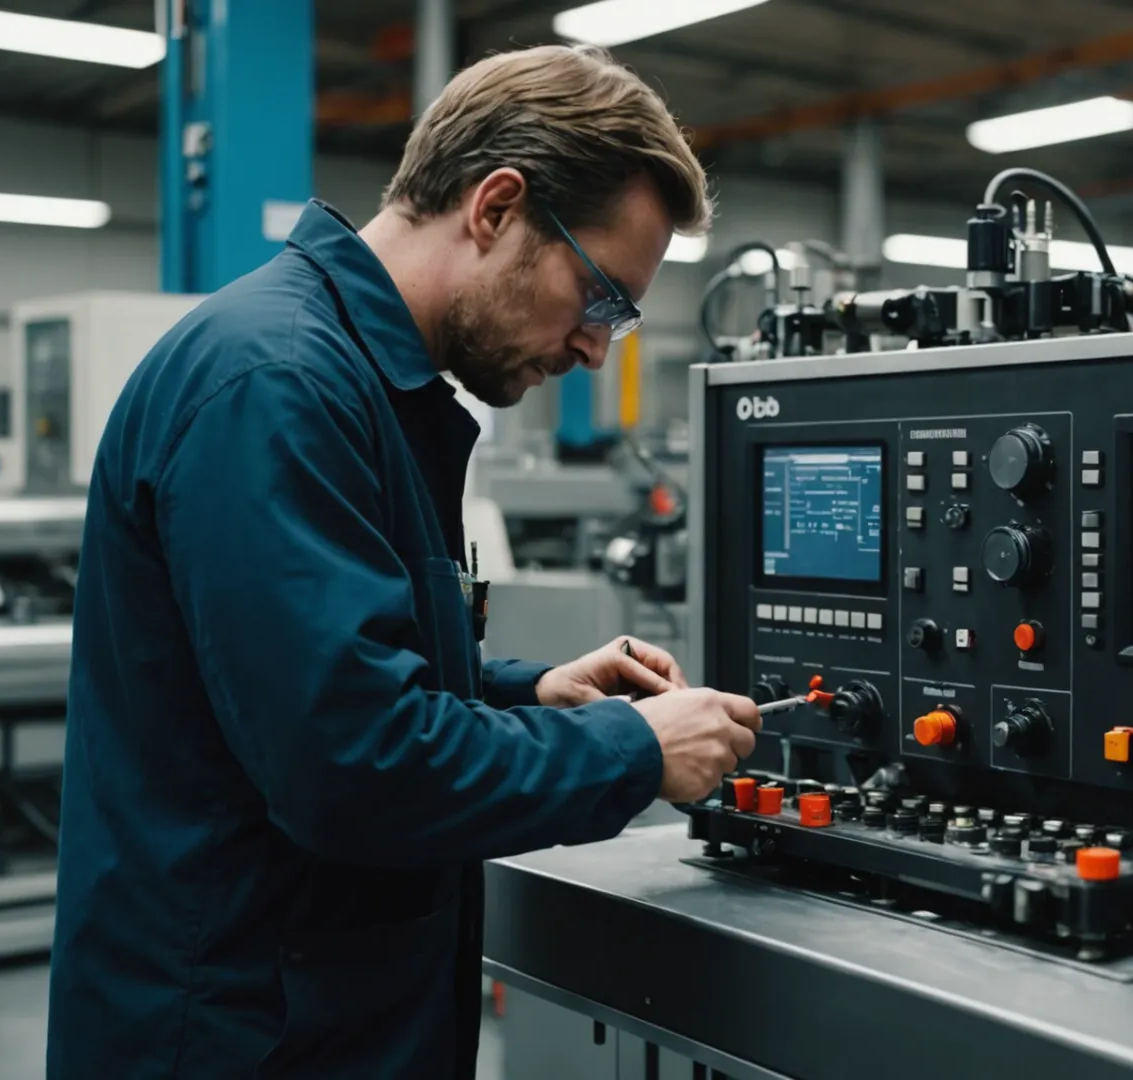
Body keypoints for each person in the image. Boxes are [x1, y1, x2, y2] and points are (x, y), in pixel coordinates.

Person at [47, 44, 760, 1079]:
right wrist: (629, 751)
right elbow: (350, 765)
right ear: (495, 208)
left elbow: (322, 674)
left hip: (313, 1009)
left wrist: (528, 693)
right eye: (598, 297)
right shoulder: (277, 385)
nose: (595, 350)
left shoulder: (362, 386)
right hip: (238, 1032)